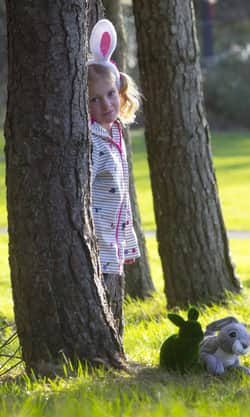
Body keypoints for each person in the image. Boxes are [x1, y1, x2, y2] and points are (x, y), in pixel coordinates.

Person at [87, 19, 141, 340]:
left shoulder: (115, 131)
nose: (106, 105)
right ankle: (104, 348)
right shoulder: (92, 140)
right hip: (99, 244)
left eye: (110, 95)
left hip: (115, 243)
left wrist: (129, 243)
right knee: (103, 299)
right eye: (95, 99)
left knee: (115, 298)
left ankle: (114, 348)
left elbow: (120, 199)